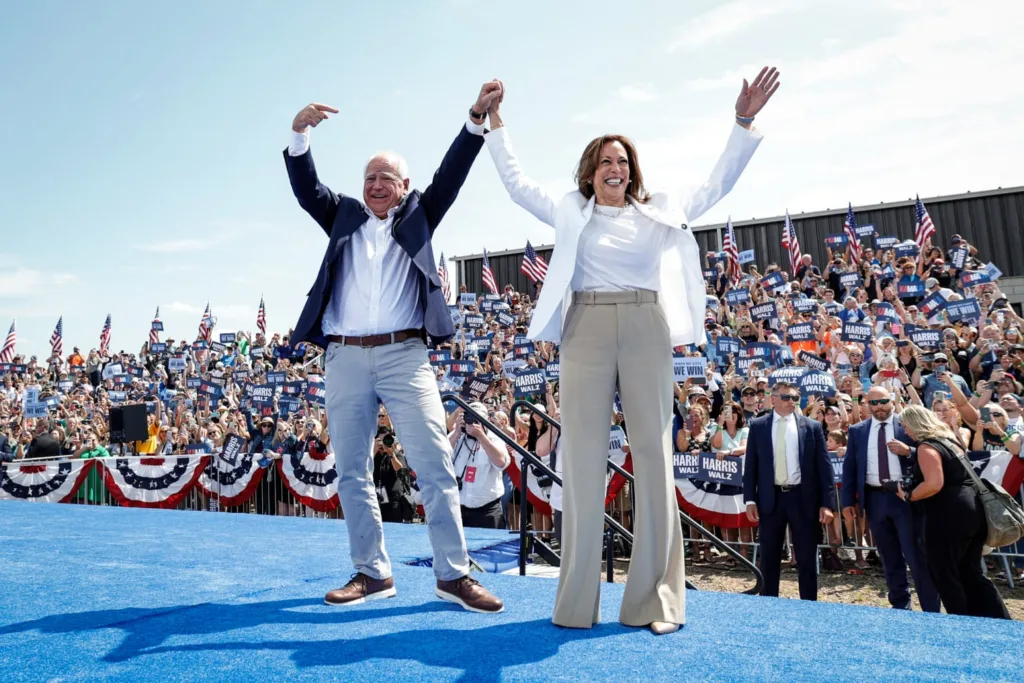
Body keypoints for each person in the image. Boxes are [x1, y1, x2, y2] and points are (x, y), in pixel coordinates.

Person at [482, 66, 779, 633]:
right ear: (590, 173)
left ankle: (657, 601)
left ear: (633, 171)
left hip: (646, 323)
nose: (614, 169)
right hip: (585, 327)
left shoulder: (660, 207)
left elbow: (718, 184)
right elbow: (518, 185)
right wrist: (496, 123)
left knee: (655, 454)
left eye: (622, 161)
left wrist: (742, 122)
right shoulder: (570, 209)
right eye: (605, 162)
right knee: (584, 460)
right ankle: (575, 604)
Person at [283, 82, 504, 614]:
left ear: (404, 186)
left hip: (406, 355)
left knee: (433, 463)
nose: (376, 185)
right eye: (368, 178)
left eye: (386, 177)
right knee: (352, 468)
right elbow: (306, 188)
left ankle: (453, 576)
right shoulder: (343, 216)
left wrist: (475, 116)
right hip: (344, 356)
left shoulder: (420, 215)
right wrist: (299, 134)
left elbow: (450, 175)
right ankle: (371, 572)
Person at [896, 406, 1010, 619]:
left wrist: (909, 495)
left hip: (949, 515)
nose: (905, 432)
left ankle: (959, 623)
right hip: (973, 511)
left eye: (905, 426)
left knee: (944, 572)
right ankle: (1000, 620)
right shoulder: (950, 441)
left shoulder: (926, 446)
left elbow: (934, 484)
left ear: (915, 423)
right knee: (971, 571)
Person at [841, 387, 940, 612]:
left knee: (916, 557)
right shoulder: (857, 431)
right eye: (873, 403)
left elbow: (931, 452)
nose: (879, 407)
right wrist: (848, 502)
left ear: (892, 401)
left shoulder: (907, 426)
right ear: (866, 404)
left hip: (907, 498)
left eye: (884, 401)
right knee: (888, 556)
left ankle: (931, 610)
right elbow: (850, 468)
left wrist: (910, 452)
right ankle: (900, 606)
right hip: (875, 498)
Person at [743, 381, 836, 601]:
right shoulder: (758, 426)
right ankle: (769, 602)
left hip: (802, 498)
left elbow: (824, 468)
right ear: (773, 398)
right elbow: (751, 466)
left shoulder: (811, 426)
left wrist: (827, 503)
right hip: (770, 498)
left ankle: (808, 604)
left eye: (795, 398)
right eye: (786, 397)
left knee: (806, 556)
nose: (791, 402)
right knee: (769, 556)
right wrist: (749, 500)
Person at [448, 403, 510, 529]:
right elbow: (440, 457)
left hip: (487, 510)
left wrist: (481, 436)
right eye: (469, 418)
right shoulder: (457, 435)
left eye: (477, 419)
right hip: (458, 509)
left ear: (485, 421)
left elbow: (501, 463)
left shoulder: (494, 438)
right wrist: (456, 432)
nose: (472, 423)